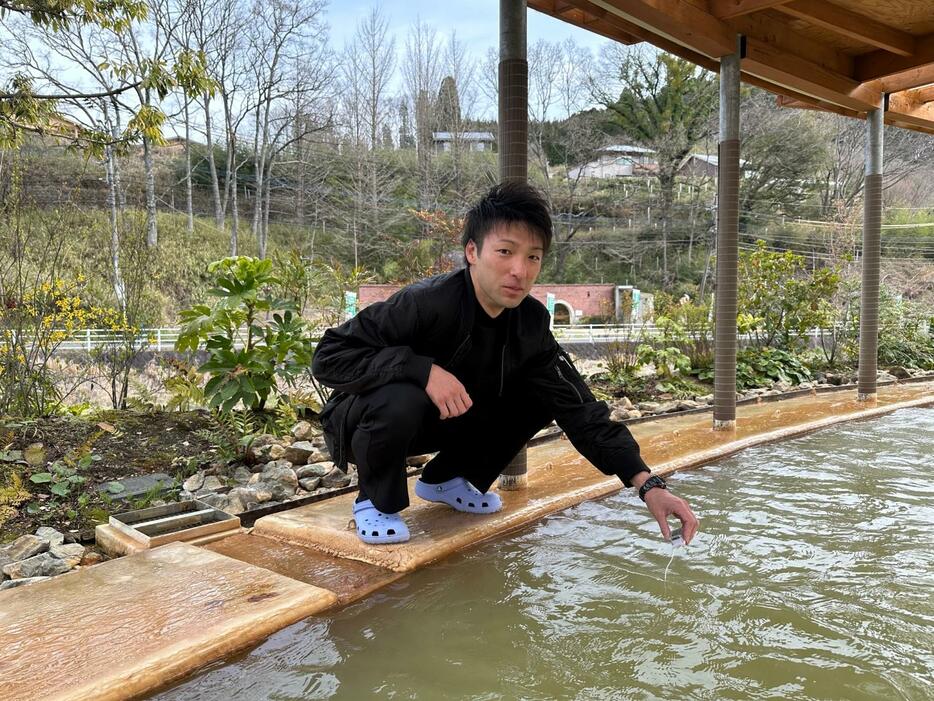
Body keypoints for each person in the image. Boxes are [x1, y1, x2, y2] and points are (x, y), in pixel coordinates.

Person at [312, 182, 698, 546]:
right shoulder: (424, 302)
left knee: (542, 394)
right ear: (472, 252)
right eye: (505, 252)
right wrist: (421, 369)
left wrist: (647, 484)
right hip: (372, 419)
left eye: (533, 257)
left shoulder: (530, 322)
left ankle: (448, 479)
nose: (520, 270)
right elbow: (329, 355)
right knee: (400, 397)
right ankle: (375, 501)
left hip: (448, 419)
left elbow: (578, 406)